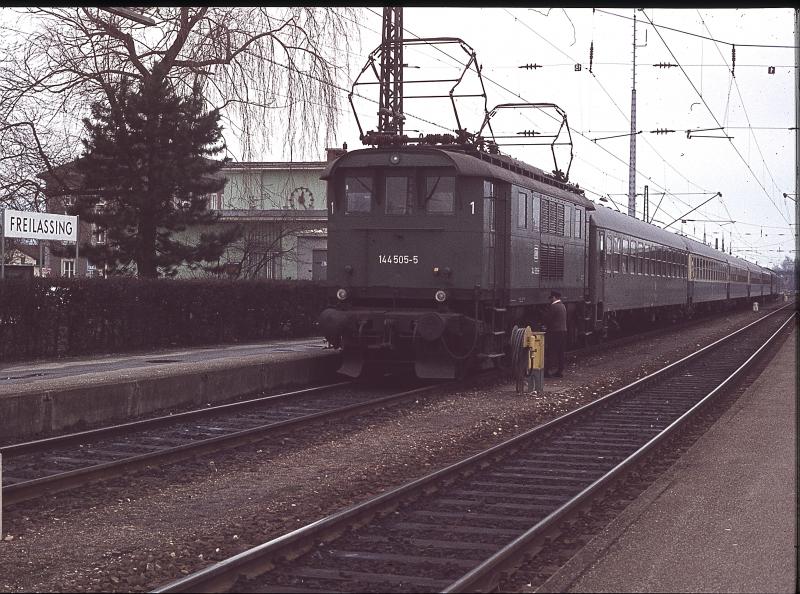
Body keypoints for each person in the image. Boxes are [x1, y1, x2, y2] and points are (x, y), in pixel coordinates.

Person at [544, 290, 567, 378]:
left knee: (551, 351)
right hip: (563, 331)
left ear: (554, 297)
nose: (550, 300)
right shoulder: (562, 306)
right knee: (561, 352)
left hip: (555, 332)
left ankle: (548, 371)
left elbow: (548, 319)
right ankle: (560, 371)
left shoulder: (553, 307)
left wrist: (544, 325)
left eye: (551, 298)